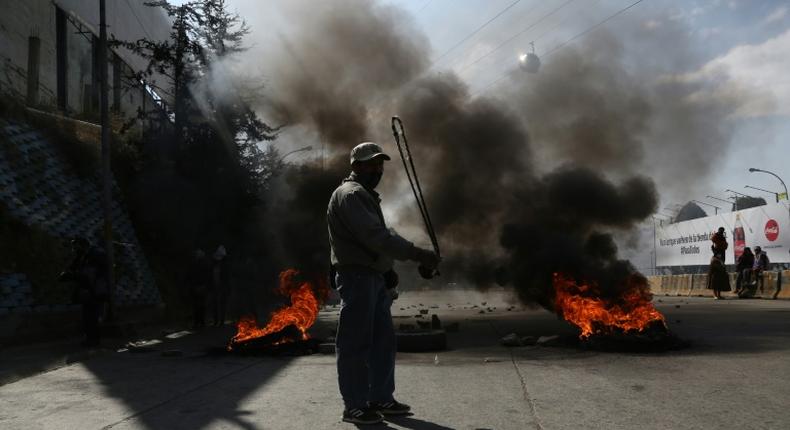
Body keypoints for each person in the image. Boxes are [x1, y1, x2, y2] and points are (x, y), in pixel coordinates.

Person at [327, 142, 440, 425]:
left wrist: (386, 270)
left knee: (382, 342)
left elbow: (377, 240)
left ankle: (380, 398)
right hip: (357, 277)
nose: (377, 169)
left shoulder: (364, 195)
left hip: (372, 277)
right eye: (370, 164)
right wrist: (419, 254)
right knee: (355, 342)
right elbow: (376, 237)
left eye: (380, 164)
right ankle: (354, 404)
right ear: (355, 166)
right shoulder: (351, 194)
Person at [58, 237, 110, 347]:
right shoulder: (84, 254)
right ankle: (90, 339)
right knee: (87, 316)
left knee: (92, 316)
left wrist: (71, 276)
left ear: (82, 245)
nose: (74, 250)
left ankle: (94, 340)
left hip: (96, 289)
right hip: (90, 289)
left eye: (76, 247)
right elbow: (74, 266)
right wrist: (67, 273)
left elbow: (89, 274)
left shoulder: (95, 254)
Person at [185, 249, 211, 329]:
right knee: (199, 305)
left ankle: (199, 322)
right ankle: (199, 322)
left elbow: (190, 275)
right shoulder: (200, 264)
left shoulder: (197, 264)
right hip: (198, 286)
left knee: (198, 305)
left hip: (198, 286)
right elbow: (190, 275)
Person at [211, 245, 230, 326]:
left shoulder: (225, 266)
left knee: (221, 304)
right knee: (216, 304)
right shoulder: (214, 265)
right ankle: (216, 320)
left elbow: (227, 278)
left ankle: (221, 321)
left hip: (222, 287)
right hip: (216, 287)